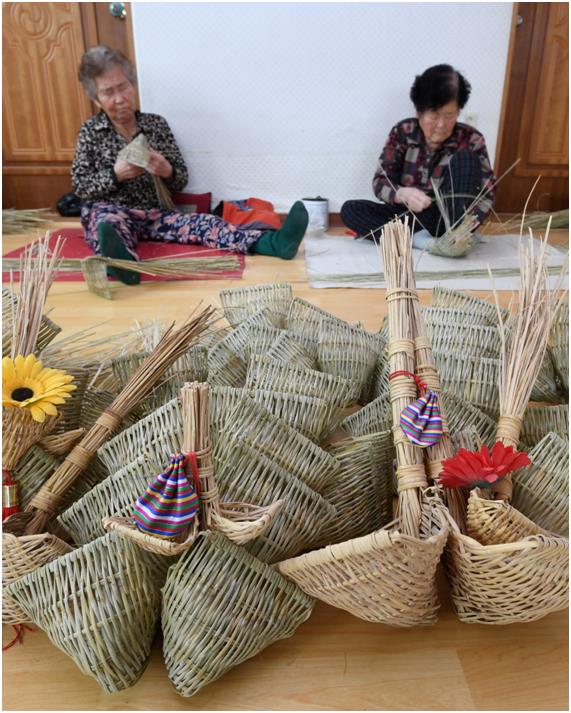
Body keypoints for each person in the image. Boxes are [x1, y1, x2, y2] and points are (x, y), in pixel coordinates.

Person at [72, 46, 308, 285]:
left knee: (206, 223)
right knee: (107, 225)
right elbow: (80, 187)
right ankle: (122, 266)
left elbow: (181, 177)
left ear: (133, 85)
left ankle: (274, 243)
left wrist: (167, 170)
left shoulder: (155, 125)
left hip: (155, 214)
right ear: (96, 99)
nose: (120, 98)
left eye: (123, 87)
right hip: (112, 210)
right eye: (108, 92)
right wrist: (115, 175)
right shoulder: (90, 131)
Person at [341, 64, 496, 256]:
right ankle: (423, 242)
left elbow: (487, 194)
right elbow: (380, 182)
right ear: (419, 111)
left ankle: (452, 239)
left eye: (449, 115)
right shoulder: (403, 132)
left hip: (448, 220)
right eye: (434, 115)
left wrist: (467, 226)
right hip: (409, 218)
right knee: (351, 210)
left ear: (458, 111)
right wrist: (401, 194)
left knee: (466, 159)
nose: (441, 124)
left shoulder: (471, 139)